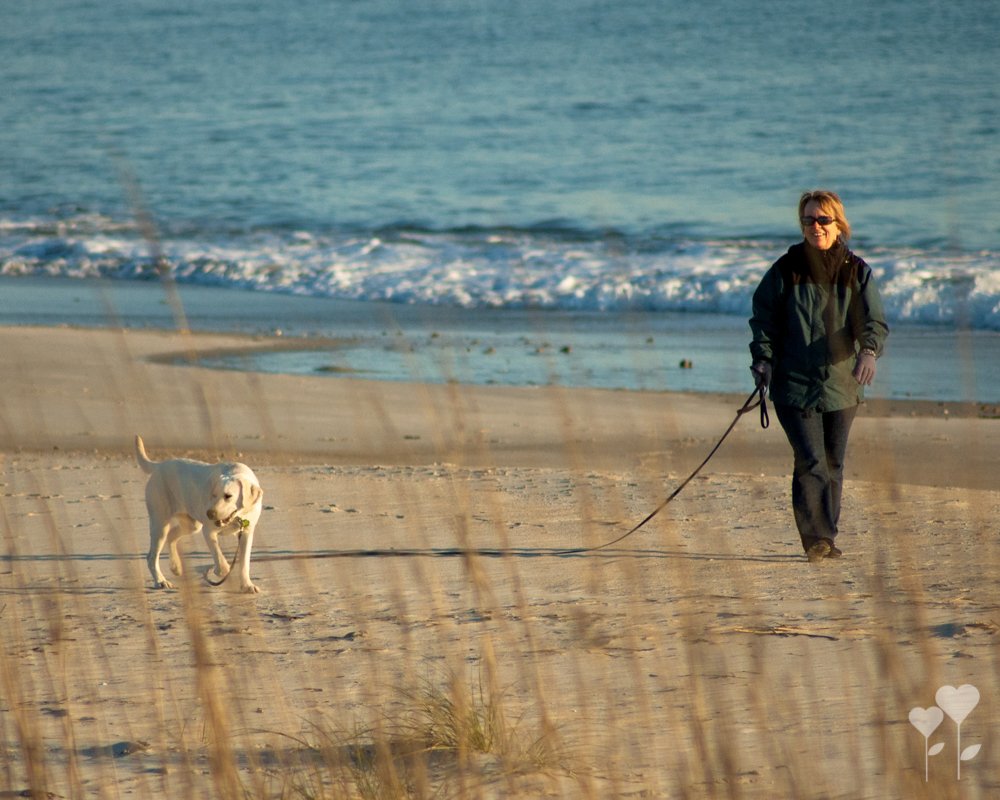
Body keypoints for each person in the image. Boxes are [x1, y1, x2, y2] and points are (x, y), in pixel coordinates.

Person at [749, 190, 889, 562]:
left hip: (842, 384)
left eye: (823, 219)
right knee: (810, 460)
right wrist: (762, 361)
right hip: (793, 384)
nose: (815, 227)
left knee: (833, 463)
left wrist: (869, 353)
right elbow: (763, 321)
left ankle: (826, 534)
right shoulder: (785, 269)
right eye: (808, 220)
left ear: (838, 223)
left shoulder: (856, 271)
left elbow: (873, 322)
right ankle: (817, 539)